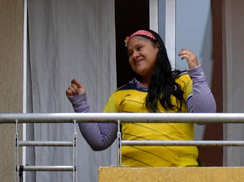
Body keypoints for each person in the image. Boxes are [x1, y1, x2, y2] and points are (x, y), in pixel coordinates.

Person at [66, 29, 216, 167]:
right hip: (134, 180)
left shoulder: (181, 81)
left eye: (139, 48)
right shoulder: (120, 94)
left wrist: (196, 73)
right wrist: (80, 105)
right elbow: (99, 141)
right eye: (130, 53)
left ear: (157, 47)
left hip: (182, 176)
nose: (134, 55)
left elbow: (205, 116)